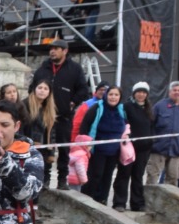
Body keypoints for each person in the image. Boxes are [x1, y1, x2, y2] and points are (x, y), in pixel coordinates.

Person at [29, 38, 91, 190]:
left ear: (65, 51)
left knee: (64, 149)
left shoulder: (74, 69)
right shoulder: (43, 69)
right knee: (44, 149)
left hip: (64, 116)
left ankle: (62, 180)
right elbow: (32, 88)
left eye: (56, 48)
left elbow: (83, 89)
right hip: (44, 116)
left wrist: (72, 102)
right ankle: (44, 180)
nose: (52, 51)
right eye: (51, 48)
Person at [80, 84, 128, 206]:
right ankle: (87, 199)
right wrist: (85, 143)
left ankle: (102, 200)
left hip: (114, 151)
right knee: (95, 175)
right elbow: (85, 125)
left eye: (116, 95)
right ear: (106, 95)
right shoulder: (97, 108)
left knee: (107, 177)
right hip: (97, 149)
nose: (113, 97)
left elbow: (127, 126)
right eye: (111, 94)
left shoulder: (121, 110)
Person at [148, 81, 179, 188]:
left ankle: (168, 203)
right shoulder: (160, 106)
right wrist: (151, 141)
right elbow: (150, 124)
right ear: (170, 92)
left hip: (176, 149)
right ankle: (149, 202)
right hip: (159, 148)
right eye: (174, 90)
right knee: (153, 176)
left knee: (173, 177)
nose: (177, 93)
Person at [114, 80, 153, 212]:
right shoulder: (127, 107)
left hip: (144, 149)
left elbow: (151, 126)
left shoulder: (149, 109)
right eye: (138, 92)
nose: (141, 95)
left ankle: (137, 203)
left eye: (143, 92)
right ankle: (119, 202)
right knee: (123, 175)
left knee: (138, 176)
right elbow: (123, 123)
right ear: (134, 93)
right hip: (128, 148)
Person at [22, 78, 57, 150]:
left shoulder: (49, 108)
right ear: (34, 89)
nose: (42, 91)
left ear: (49, 92)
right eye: (40, 88)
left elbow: (51, 132)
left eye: (45, 89)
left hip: (44, 149)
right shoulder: (25, 105)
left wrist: (51, 153)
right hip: (28, 147)